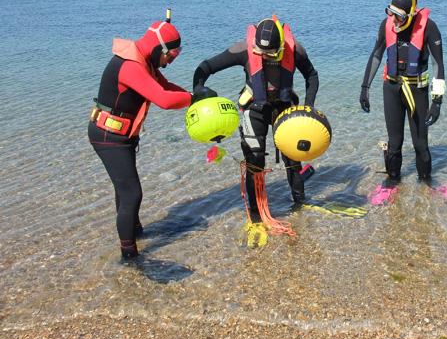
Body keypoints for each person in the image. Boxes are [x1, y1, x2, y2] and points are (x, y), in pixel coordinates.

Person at [192, 16, 319, 220]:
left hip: (284, 107)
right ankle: (256, 214)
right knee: (255, 161)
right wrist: (198, 92)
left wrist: (309, 106)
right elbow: (205, 68)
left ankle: (300, 205)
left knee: (293, 159)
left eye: (271, 55)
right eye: (262, 54)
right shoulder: (244, 49)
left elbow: (311, 76)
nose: (266, 58)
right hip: (255, 109)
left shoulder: (295, 50)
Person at [88, 15, 192, 259]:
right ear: (160, 48)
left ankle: (134, 232)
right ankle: (129, 255)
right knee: (132, 193)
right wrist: (192, 100)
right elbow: (164, 100)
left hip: (121, 136)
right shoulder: (130, 66)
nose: (169, 62)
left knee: (124, 190)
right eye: (171, 56)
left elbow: (166, 87)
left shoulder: (146, 61)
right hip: (108, 137)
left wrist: (193, 93)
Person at [359, 0, 446, 185]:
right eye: (391, 14)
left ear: (411, 14)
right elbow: (376, 56)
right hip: (391, 88)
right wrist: (365, 88)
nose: (394, 20)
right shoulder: (386, 25)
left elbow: (438, 65)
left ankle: (426, 185)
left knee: (420, 144)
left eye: (399, 16)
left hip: (417, 90)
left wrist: (437, 101)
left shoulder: (429, 28)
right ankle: (392, 183)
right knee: (395, 143)